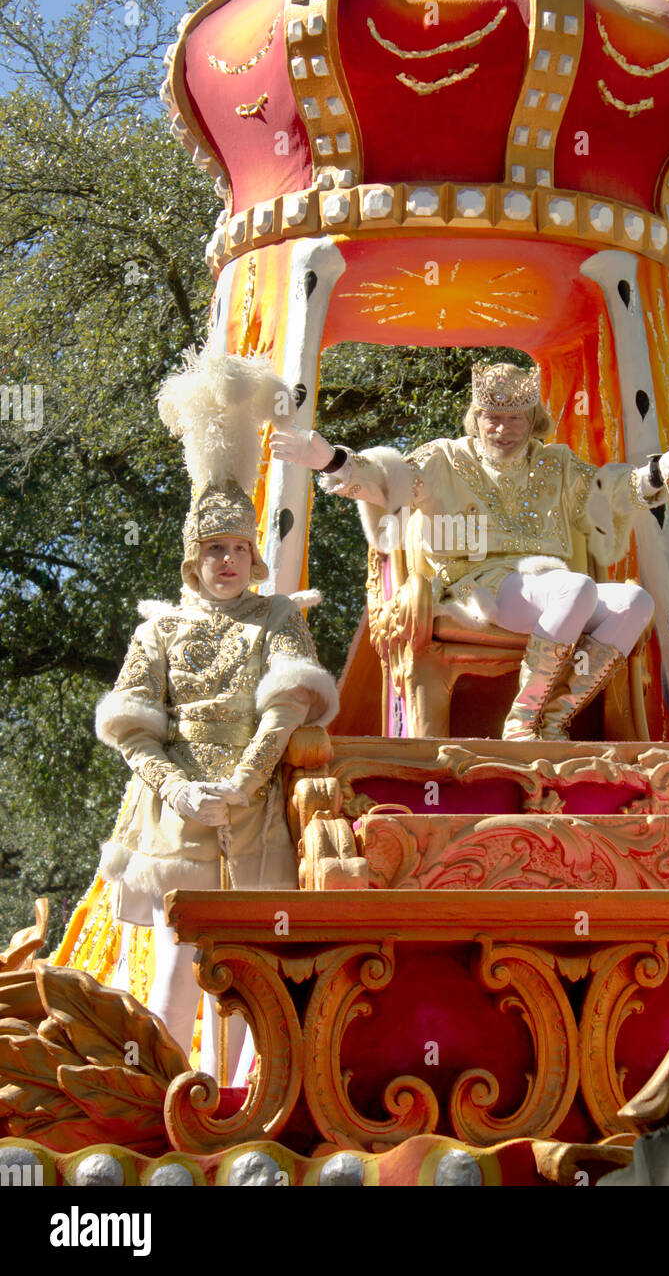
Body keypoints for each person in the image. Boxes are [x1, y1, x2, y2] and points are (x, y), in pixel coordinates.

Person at [95, 346, 338, 1079]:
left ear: (253, 556)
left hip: (257, 813)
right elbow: (134, 730)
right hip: (174, 817)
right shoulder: (157, 630)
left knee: (254, 975)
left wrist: (243, 783)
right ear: (192, 558)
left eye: (240, 547)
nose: (229, 560)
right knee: (176, 969)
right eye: (215, 549)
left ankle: (249, 1123)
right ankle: (162, 1114)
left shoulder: (278, 619)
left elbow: (289, 706)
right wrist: (183, 791)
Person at [271, 362, 669, 739]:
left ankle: (553, 718)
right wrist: (331, 459)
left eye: (515, 418)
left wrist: (661, 472)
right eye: (492, 417)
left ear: (533, 420)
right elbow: (389, 480)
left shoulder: (559, 464)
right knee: (576, 590)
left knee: (634, 602)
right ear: (476, 418)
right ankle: (520, 723)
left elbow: (612, 491)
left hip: (552, 586)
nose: (503, 429)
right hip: (475, 588)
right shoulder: (443, 458)